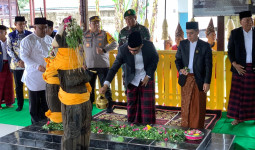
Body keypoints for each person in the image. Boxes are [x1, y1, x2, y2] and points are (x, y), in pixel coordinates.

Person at [100, 31, 159, 124]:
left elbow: (154, 60)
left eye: (135, 50)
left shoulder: (149, 46)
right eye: (130, 49)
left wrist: (148, 75)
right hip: (132, 78)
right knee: (131, 106)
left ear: (141, 46)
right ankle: (132, 127)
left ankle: (148, 129)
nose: (132, 52)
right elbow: (114, 68)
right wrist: (105, 85)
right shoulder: (123, 49)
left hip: (146, 77)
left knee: (147, 107)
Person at [175, 21, 212, 129]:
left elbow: (208, 65)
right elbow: (178, 60)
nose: (189, 36)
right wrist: (181, 69)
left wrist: (207, 82)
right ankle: (185, 128)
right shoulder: (183, 44)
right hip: (186, 78)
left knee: (198, 106)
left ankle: (197, 129)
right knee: (186, 105)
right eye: (187, 33)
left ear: (197, 32)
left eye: (191, 33)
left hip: (199, 79)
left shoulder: (205, 46)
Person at [20, 17, 52, 124]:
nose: (43, 30)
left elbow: (53, 54)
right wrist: (37, 66)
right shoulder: (27, 40)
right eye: (41, 28)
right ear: (35, 27)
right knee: (35, 103)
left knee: (46, 102)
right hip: (33, 76)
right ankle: (35, 125)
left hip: (47, 76)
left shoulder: (49, 39)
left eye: (45, 28)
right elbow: (24, 57)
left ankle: (46, 123)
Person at [83, 16, 117, 113]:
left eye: (98, 23)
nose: (96, 25)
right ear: (90, 25)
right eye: (94, 23)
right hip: (89, 66)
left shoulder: (105, 34)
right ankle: (89, 107)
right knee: (89, 88)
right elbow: (80, 50)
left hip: (103, 66)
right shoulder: (85, 35)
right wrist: (82, 63)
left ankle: (110, 106)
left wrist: (104, 50)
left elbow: (115, 43)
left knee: (105, 86)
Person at [227, 11, 255, 125]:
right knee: (237, 95)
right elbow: (230, 51)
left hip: (253, 68)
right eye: (247, 20)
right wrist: (234, 64)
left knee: (252, 94)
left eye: (251, 19)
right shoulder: (235, 33)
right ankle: (237, 118)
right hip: (239, 68)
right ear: (241, 22)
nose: (249, 22)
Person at [7, 16, 32, 111]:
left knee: (30, 84)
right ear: (15, 24)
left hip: (28, 64)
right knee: (18, 86)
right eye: (20, 24)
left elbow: (32, 49)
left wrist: (26, 61)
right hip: (16, 65)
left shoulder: (30, 34)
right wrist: (18, 60)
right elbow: (9, 49)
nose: (22, 26)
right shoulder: (11, 35)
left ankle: (32, 103)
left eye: (23, 23)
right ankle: (20, 105)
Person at [0, 25, 14, 109]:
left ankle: (9, 102)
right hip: (0, 66)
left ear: (5, 33)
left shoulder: (10, 42)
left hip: (9, 65)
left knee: (9, 84)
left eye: (1, 32)